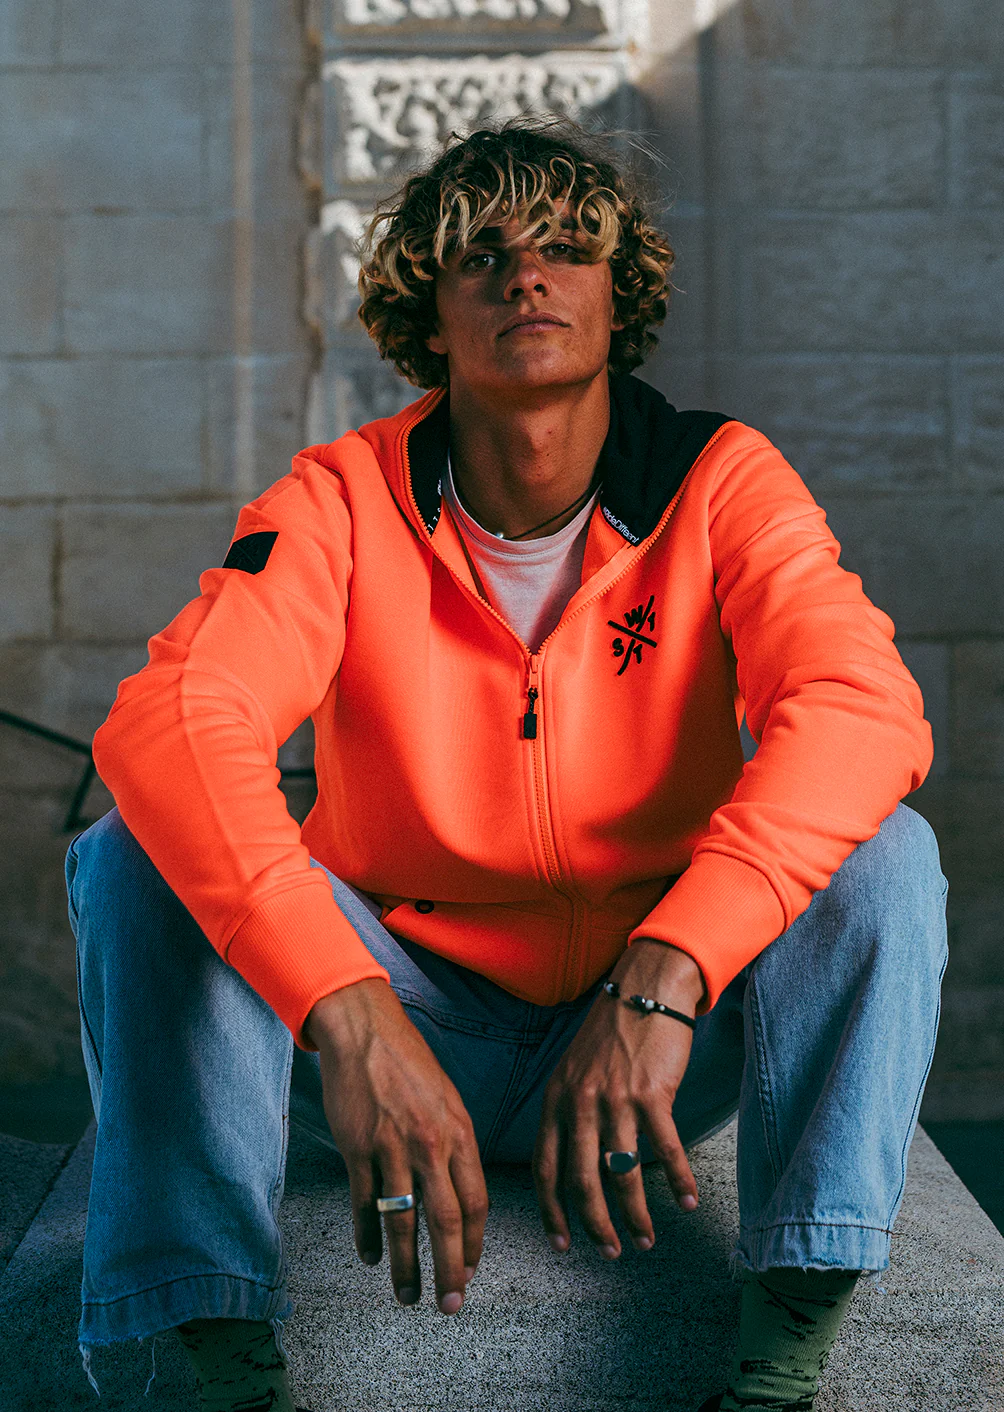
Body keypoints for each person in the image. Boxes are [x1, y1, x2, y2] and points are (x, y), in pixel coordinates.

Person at [65, 116, 948, 1412]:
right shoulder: (341, 499)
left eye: (566, 247)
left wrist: (668, 970)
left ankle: (784, 1347)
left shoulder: (718, 482)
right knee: (133, 851)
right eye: (481, 255)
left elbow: (861, 707)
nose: (526, 275)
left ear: (616, 293)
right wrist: (347, 1008)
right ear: (428, 311)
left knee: (886, 852)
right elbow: (177, 718)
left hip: (657, 1040)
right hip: (397, 1021)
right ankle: (217, 1363)